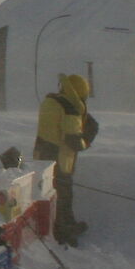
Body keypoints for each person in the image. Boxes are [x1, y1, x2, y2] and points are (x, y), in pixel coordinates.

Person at [34, 73, 96, 245]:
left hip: (43, 155)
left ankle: (63, 226)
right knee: (63, 196)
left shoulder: (50, 101)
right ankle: (63, 232)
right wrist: (87, 140)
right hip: (61, 159)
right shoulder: (70, 109)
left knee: (50, 193)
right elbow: (73, 140)